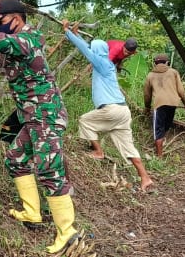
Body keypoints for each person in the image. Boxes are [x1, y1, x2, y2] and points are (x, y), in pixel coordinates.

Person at [0, 0, 82, 255]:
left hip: (45, 116)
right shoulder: (13, 30)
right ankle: (31, 213)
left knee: (49, 170)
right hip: (31, 117)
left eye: (3, 23)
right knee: (15, 159)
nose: (0, 26)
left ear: (16, 19)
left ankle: (68, 231)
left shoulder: (26, 41)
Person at [62, 22, 153, 190]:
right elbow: (88, 48)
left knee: (85, 121)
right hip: (123, 111)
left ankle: (98, 152)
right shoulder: (108, 65)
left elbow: (85, 50)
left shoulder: (103, 63)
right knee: (128, 147)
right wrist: (76, 34)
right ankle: (145, 178)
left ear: (98, 52)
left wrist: (68, 32)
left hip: (112, 109)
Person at [143, 53, 185, 156]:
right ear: (167, 63)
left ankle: (159, 156)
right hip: (173, 103)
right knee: (166, 125)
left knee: (158, 129)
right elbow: (181, 91)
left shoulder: (150, 75)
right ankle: (162, 143)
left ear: (155, 63)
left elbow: (147, 95)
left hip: (159, 104)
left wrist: (147, 108)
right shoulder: (174, 72)